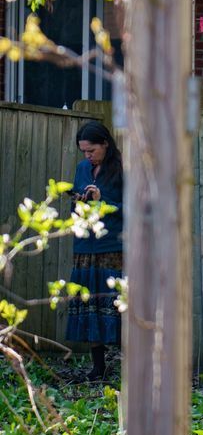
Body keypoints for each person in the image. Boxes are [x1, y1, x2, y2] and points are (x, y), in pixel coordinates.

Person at [65, 120, 124, 380]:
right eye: (84, 152)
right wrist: (79, 202)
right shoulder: (82, 169)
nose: (88, 157)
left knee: (115, 303)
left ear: (105, 144)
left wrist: (103, 201)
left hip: (112, 246)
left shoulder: (122, 169)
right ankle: (97, 368)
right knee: (88, 303)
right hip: (84, 246)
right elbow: (74, 211)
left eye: (92, 151)